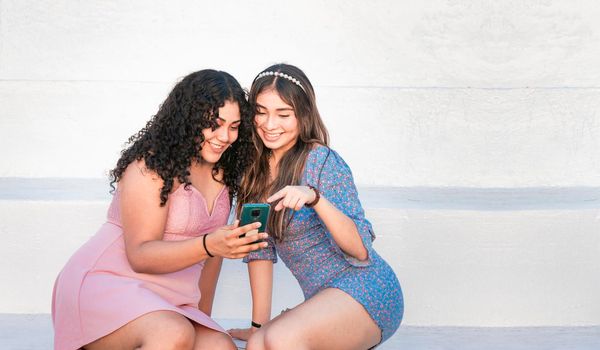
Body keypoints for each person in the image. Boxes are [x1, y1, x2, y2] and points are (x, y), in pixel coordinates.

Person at [52, 69, 269, 350]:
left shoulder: (223, 175)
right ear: (190, 119)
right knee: (172, 333)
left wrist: (203, 321)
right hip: (107, 284)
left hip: (170, 298)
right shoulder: (151, 167)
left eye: (234, 126)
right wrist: (209, 245)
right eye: (214, 124)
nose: (224, 136)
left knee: (219, 346)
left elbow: (211, 261)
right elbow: (140, 256)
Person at [228, 64, 404, 349]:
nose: (270, 125)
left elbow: (360, 250)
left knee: (280, 339)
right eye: (261, 112)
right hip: (322, 300)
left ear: (303, 115)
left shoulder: (321, 161)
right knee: (259, 343)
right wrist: (257, 327)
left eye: (283, 114)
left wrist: (315, 197)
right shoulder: (252, 172)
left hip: (367, 289)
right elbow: (260, 250)